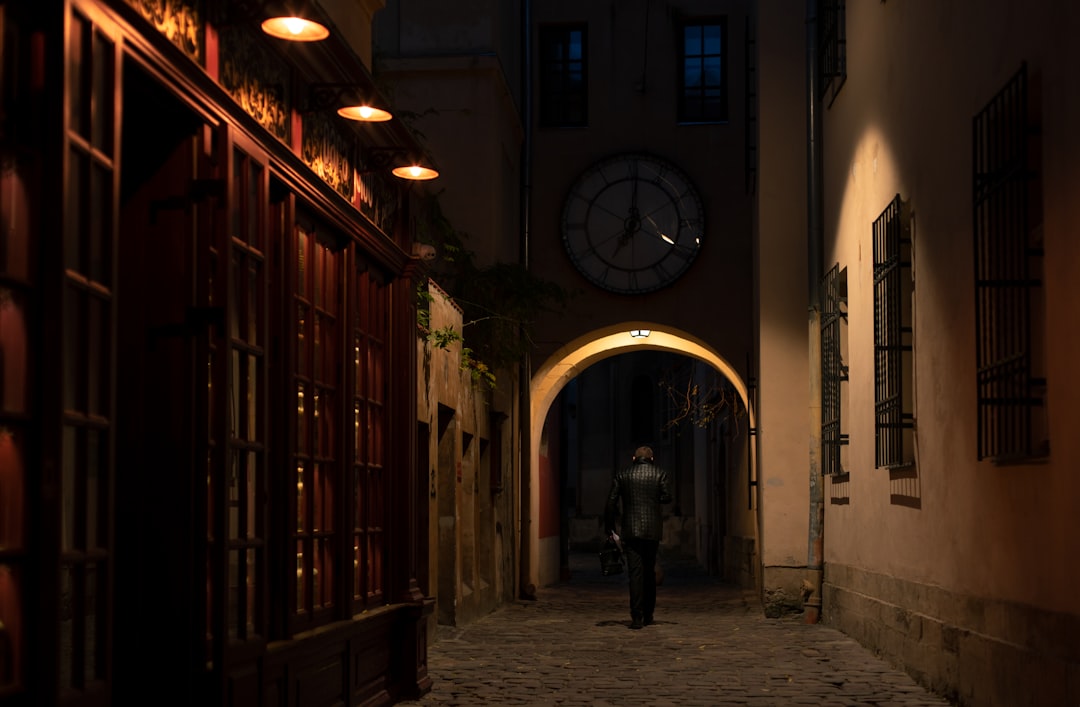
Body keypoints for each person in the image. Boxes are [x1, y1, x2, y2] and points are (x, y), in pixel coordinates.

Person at [604, 445, 672, 630]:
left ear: (634, 459)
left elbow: (611, 502)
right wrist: (654, 496)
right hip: (652, 531)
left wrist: (609, 527)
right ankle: (649, 614)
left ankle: (637, 617)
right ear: (652, 459)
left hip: (631, 530)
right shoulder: (660, 474)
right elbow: (667, 497)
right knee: (649, 571)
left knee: (635, 573)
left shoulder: (623, 475)